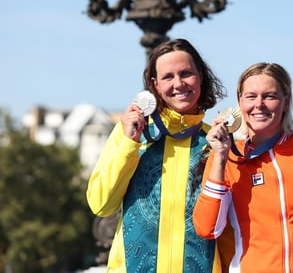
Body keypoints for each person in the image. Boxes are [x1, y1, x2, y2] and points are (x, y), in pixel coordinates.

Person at [86, 38, 229, 272]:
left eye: (186, 73)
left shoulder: (217, 143)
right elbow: (101, 205)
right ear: (155, 85)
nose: (179, 83)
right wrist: (128, 144)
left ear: (200, 76)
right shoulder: (130, 134)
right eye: (168, 77)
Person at [193, 63, 293, 273]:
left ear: (286, 101)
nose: (259, 105)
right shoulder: (227, 157)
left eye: (269, 96)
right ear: (240, 101)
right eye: (251, 96)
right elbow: (208, 228)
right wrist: (220, 156)